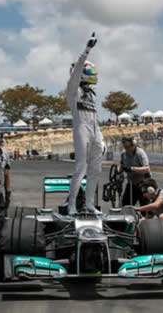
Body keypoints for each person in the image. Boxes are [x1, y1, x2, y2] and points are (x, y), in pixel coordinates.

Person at [65, 32, 104, 215]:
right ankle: (72, 204)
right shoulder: (73, 90)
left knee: (96, 168)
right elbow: (78, 69)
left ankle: (89, 204)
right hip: (81, 128)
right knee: (81, 166)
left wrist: (101, 139)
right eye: (88, 72)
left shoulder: (91, 94)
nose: (91, 75)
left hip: (95, 130)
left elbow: (95, 118)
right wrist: (87, 50)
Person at [117, 136, 151, 207]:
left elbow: (147, 169)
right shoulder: (124, 154)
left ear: (133, 145)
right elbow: (121, 164)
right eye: (125, 147)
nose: (127, 149)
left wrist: (132, 169)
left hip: (143, 182)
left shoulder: (140, 153)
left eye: (128, 147)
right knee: (126, 204)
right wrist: (119, 170)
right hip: (131, 183)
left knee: (144, 205)